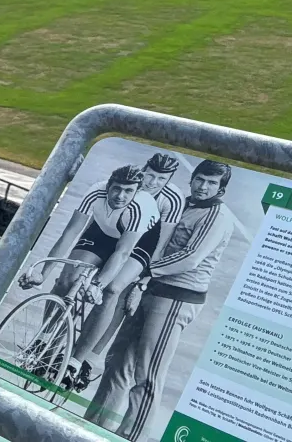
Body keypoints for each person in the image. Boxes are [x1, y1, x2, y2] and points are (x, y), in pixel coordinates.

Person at [85, 160, 237, 440]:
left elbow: (191, 257)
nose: (203, 187)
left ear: (221, 189)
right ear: (192, 179)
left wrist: (144, 273)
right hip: (149, 288)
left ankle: (132, 436)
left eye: (211, 183)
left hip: (175, 298)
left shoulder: (216, 216)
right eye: (200, 179)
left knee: (147, 374)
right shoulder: (182, 204)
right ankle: (94, 428)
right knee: (117, 361)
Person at [17, 164, 159, 390]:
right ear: (108, 186)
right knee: (66, 279)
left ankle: (75, 361)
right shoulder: (95, 192)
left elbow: (122, 252)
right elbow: (69, 234)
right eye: (116, 189)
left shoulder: (141, 208)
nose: (120, 196)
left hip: (137, 243)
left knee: (111, 290)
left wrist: (97, 285)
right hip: (103, 232)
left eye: (127, 191)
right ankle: (45, 340)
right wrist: (43, 274)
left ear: (137, 192)